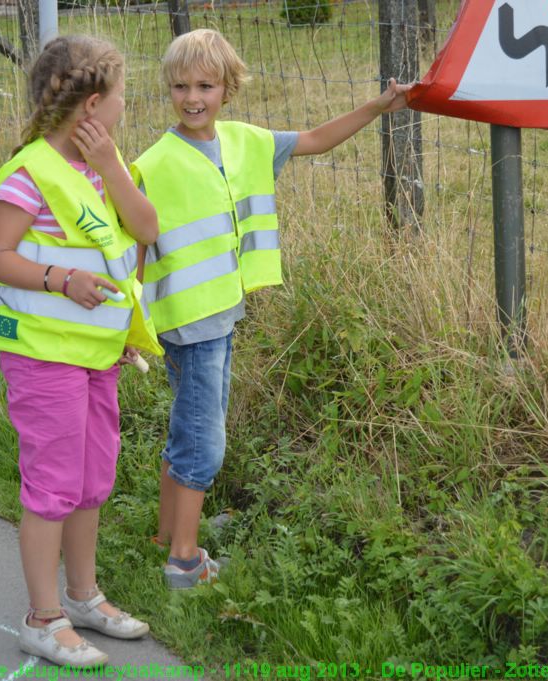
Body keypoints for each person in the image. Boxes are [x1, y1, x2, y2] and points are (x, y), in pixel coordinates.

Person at [130, 28, 411, 589]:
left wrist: (378, 106)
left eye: (205, 85)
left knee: (188, 427)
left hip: (222, 314)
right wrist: (128, 325)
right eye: (180, 86)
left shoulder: (244, 143)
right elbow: (135, 253)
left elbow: (315, 139)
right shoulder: (154, 163)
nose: (192, 97)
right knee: (203, 442)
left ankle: (168, 534)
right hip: (188, 323)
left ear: (227, 88)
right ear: (168, 88)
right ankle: (184, 562)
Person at [0, 35, 163, 666]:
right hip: (42, 356)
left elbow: (147, 229)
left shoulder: (104, 167)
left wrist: (112, 167)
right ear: (90, 105)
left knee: (90, 482)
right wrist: (62, 280)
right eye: (118, 98)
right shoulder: (30, 174)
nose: (123, 109)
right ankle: (43, 617)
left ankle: (83, 599)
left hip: (97, 355)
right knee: (53, 486)